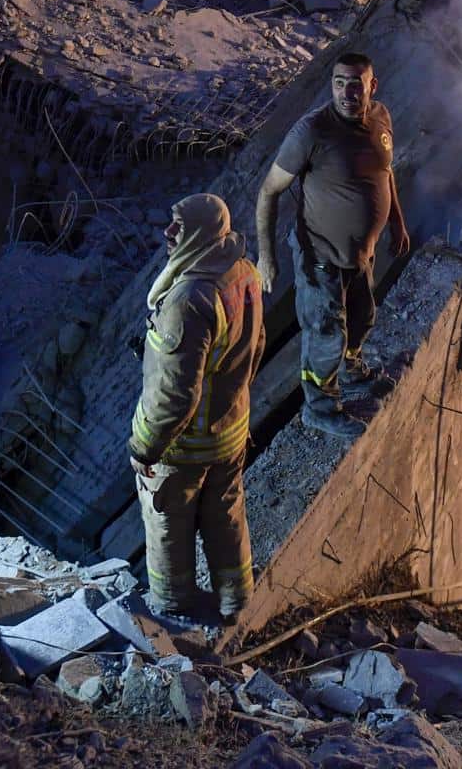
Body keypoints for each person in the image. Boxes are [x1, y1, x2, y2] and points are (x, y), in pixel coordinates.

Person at [255, 52, 411, 440]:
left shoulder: (380, 119)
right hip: (320, 256)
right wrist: (266, 257)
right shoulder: (311, 133)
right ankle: (319, 408)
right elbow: (269, 191)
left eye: (356, 83)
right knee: (325, 335)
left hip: (361, 254)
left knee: (362, 319)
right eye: (339, 83)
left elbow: (385, 172)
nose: (347, 92)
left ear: (372, 86)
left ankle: (351, 371)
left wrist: (397, 222)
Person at [128, 194, 264, 623]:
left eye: (179, 227)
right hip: (230, 430)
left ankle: (174, 611)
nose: (168, 233)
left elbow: (174, 394)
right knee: (226, 521)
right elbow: (251, 349)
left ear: (203, 233)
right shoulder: (242, 271)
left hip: (184, 447)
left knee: (168, 523)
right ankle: (237, 605)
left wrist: (145, 447)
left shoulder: (188, 300)